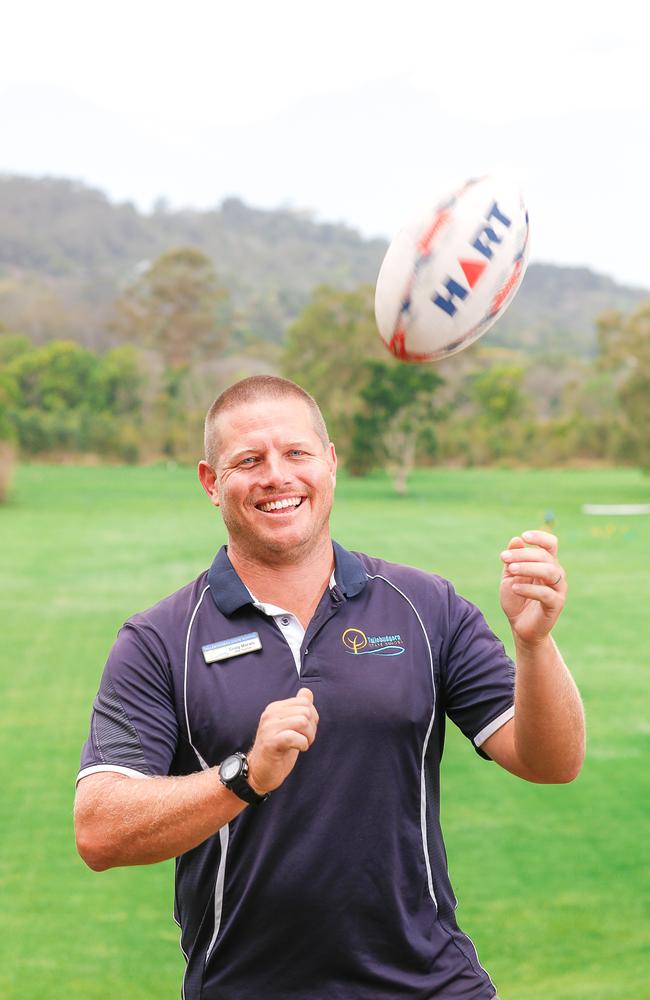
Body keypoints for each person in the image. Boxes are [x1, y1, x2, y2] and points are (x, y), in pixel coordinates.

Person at [74, 375, 585, 1000]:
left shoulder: (426, 606)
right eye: (248, 460)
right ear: (211, 482)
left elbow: (552, 762)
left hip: (430, 984)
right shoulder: (158, 640)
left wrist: (534, 644)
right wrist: (246, 777)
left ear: (331, 463)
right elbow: (98, 830)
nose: (276, 476)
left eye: (296, 453)